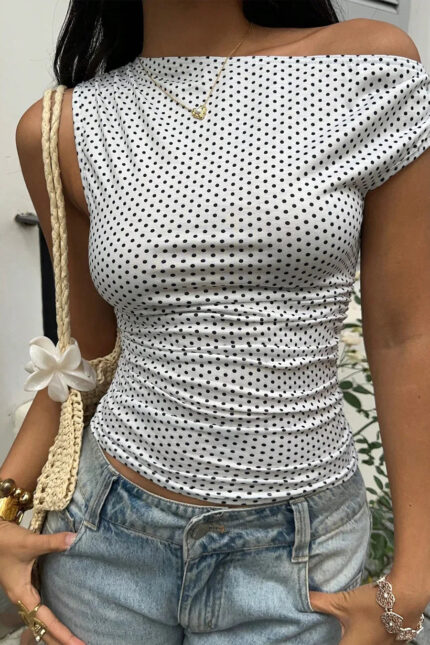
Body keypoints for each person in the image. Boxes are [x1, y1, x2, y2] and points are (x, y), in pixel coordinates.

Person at [2, 0, 430, 643]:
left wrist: (415, 576)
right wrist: (4, 502)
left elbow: (407, 334)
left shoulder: (369, 64)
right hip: (102, 538)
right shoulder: (58, 126)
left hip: (298, 559)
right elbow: (83, 357)